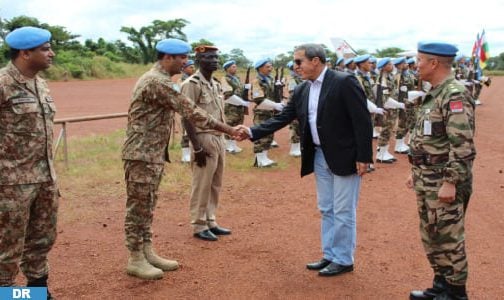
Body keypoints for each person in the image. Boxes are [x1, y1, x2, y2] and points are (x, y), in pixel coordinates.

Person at [237, 43, 373, 277]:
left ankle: (343, 259)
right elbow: (284, 117)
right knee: (327, 208)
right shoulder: (302, 90)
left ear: (316, 61)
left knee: (343, 210)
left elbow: (362, 121)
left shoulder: (343, 82)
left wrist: (364, 157)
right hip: (319, 155)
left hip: (344, 156)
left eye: (299, 61)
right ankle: (330, 254)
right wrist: (252, 132)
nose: (295, 66)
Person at [121, 38, 237, 280]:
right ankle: (135, 258)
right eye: (182, 58)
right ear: (167, 58)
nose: (186, 62)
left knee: (148, 204)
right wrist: (229, 130)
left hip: (150, 153)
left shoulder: (163, 81)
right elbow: (191, 112)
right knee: (138, 207)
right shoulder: (156, 82)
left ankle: (146, 251)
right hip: (141, 154)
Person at [406, 41, 476, 300]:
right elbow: (429, 138)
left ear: (434, 63)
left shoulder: (453, 94)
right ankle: (441, 285)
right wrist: (415, 167)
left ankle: (457, 293)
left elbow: (463, 144)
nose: (416, 65)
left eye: (420, 60)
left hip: (444, 179)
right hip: (427, 176)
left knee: (449, 238)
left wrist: (452, 182)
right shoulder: (435, 93)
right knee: (433, 235)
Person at [0, 26, 57, 299]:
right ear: (25, 53)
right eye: (45, 49)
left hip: (45, 179)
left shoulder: (40, 83)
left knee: (41, 241)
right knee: (6, 247)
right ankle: (6, 294)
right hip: (10, 185)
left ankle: (36, 293)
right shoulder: (2, 84)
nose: (51, 53)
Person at [180, 45, 232, 241]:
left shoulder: (216, 84)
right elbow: (186, 117)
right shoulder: (191, 84)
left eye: (216, 57)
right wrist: (196, 146)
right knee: (202, 183)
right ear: (199, 60)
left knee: (215, 183)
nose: (215, 61)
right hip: (203, 138)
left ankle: (210, 220)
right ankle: (198, 224)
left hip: (218, 138)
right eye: (209, 57)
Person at [250, 58, 283, 167]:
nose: (270, 68)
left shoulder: (270, 79)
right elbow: (258, 99)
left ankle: (264, 158)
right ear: (260, 68)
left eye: (271, 66)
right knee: (260, 135)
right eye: (267, 67)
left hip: (270, 111)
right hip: (261, 112)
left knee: (268, 135)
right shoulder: (257, 81)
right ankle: (259, 160)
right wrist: (275, 105)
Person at [222, 59, 246, 154]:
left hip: (239, 105)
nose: (235, 68)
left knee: (238, 124)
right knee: (230, 124)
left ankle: (233, 144)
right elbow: (228, 93)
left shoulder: (237, 78)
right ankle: (228, 146)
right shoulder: (225, 79)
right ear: (227, 69)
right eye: (233, 66)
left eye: (235, 66)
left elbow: (241, 90)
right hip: (231, 105)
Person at [178, 59, 196, 163]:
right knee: (186, 133)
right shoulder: (181, 81)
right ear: (184, 69)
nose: (193, 68)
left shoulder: (193, 79)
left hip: (194, 109)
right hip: (186, 110)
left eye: (193, 66)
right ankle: (185, 156)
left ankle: (192, 153)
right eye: (190, 67)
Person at [286, 60, 303, 157]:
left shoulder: (299, 77)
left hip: (301, 104)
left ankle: (298, 146)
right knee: (295, 126)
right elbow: (293, 92)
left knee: (300, 126)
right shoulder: (291, 78)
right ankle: (294, 148)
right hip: (295, 104)